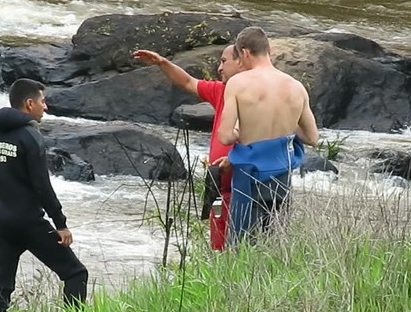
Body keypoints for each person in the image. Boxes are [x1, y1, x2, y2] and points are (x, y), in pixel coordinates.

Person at [0, 78, 88, 312]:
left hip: (1, 220)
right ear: (29, 104)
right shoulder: (30, 136)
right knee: (75, 273)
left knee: (1, 285)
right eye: (42, 101)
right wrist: (60, 223)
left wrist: (6, 202)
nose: (45, 107)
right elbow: (42, 186)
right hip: (29, 220)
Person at [133, 46, 243, 251]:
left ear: (241, 62)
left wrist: (235, 159)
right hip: (218, 187)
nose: (219, 68)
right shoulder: (221, 91)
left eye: (224, 61)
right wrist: (161, 62)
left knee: (240, 249)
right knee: (218, 250)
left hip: (242, 189)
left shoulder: (253, 96)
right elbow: (187, 82)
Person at [217, 27, 318, 245]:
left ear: (244, 53)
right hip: (282, 177)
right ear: (268, 49)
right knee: (274, 244)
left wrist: (239, 131)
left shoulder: (238, 84)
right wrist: (287, 125)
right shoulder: (296, 87)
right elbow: (312, 137)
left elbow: (225, 136)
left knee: (241, 246)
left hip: (249, 176)